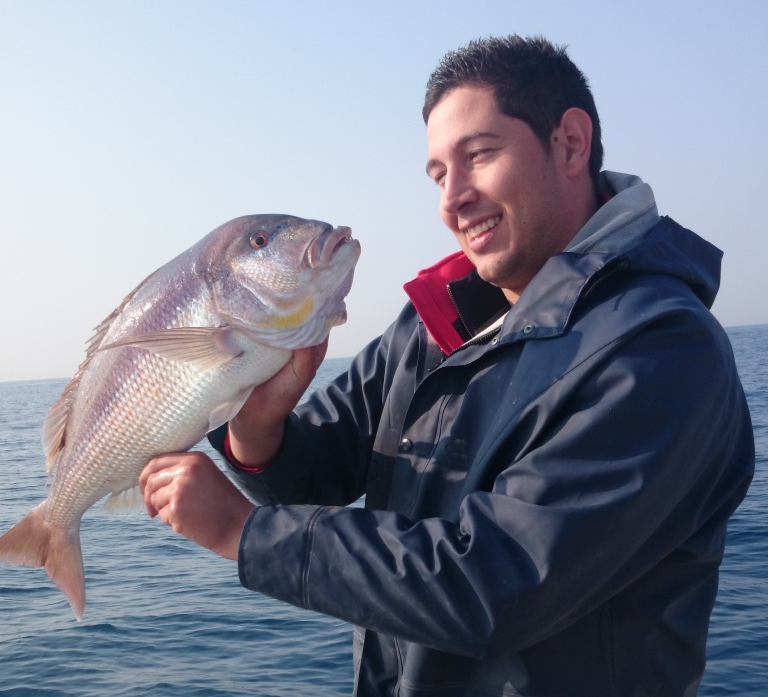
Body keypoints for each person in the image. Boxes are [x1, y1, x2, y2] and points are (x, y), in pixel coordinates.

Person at [139, 35, 755, 697]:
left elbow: (500, 583)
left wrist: (243, 533)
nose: (452, 198)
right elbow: (320, 472)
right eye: (437, 174)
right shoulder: (435, 323)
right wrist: (259, 428)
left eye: (480, 155)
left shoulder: (660, 351)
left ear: (571, 144)